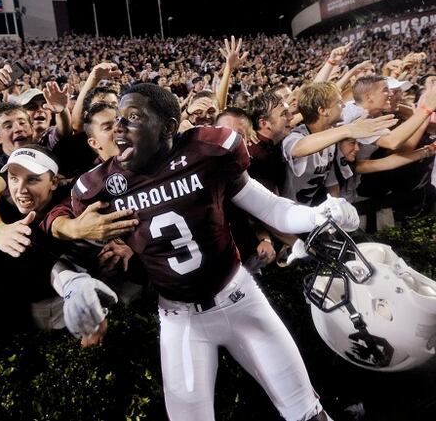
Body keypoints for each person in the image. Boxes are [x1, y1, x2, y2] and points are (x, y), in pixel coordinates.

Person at [58, 83, 362, 421]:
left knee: (308, 413)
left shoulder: (206, 152)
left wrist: (320, 214)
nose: (119, 127)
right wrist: (72, 283)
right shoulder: (101, 186)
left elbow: (273, 209)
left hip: (241, 299)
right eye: (118, 119)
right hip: (180, 319)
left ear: (169, 127)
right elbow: (66, 258)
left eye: (133, 118)